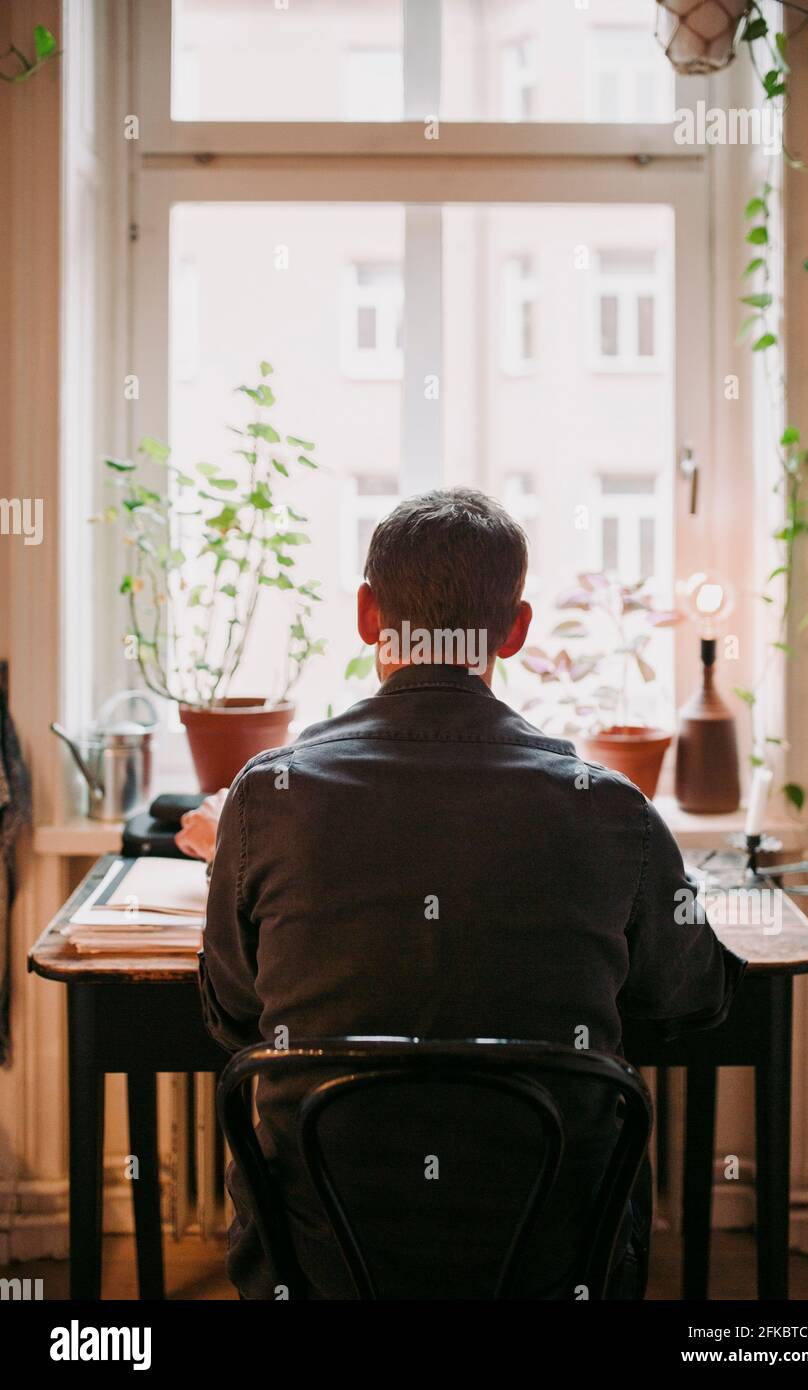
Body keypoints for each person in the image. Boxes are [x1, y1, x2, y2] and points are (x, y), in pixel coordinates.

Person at [188, 487, 746, 1300]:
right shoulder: (612, 808)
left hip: (319, 1266)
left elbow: (234, 1013)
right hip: (555, 1263)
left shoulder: (266, 796)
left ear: (367, 615)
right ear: (516, 631)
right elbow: (693, 996)